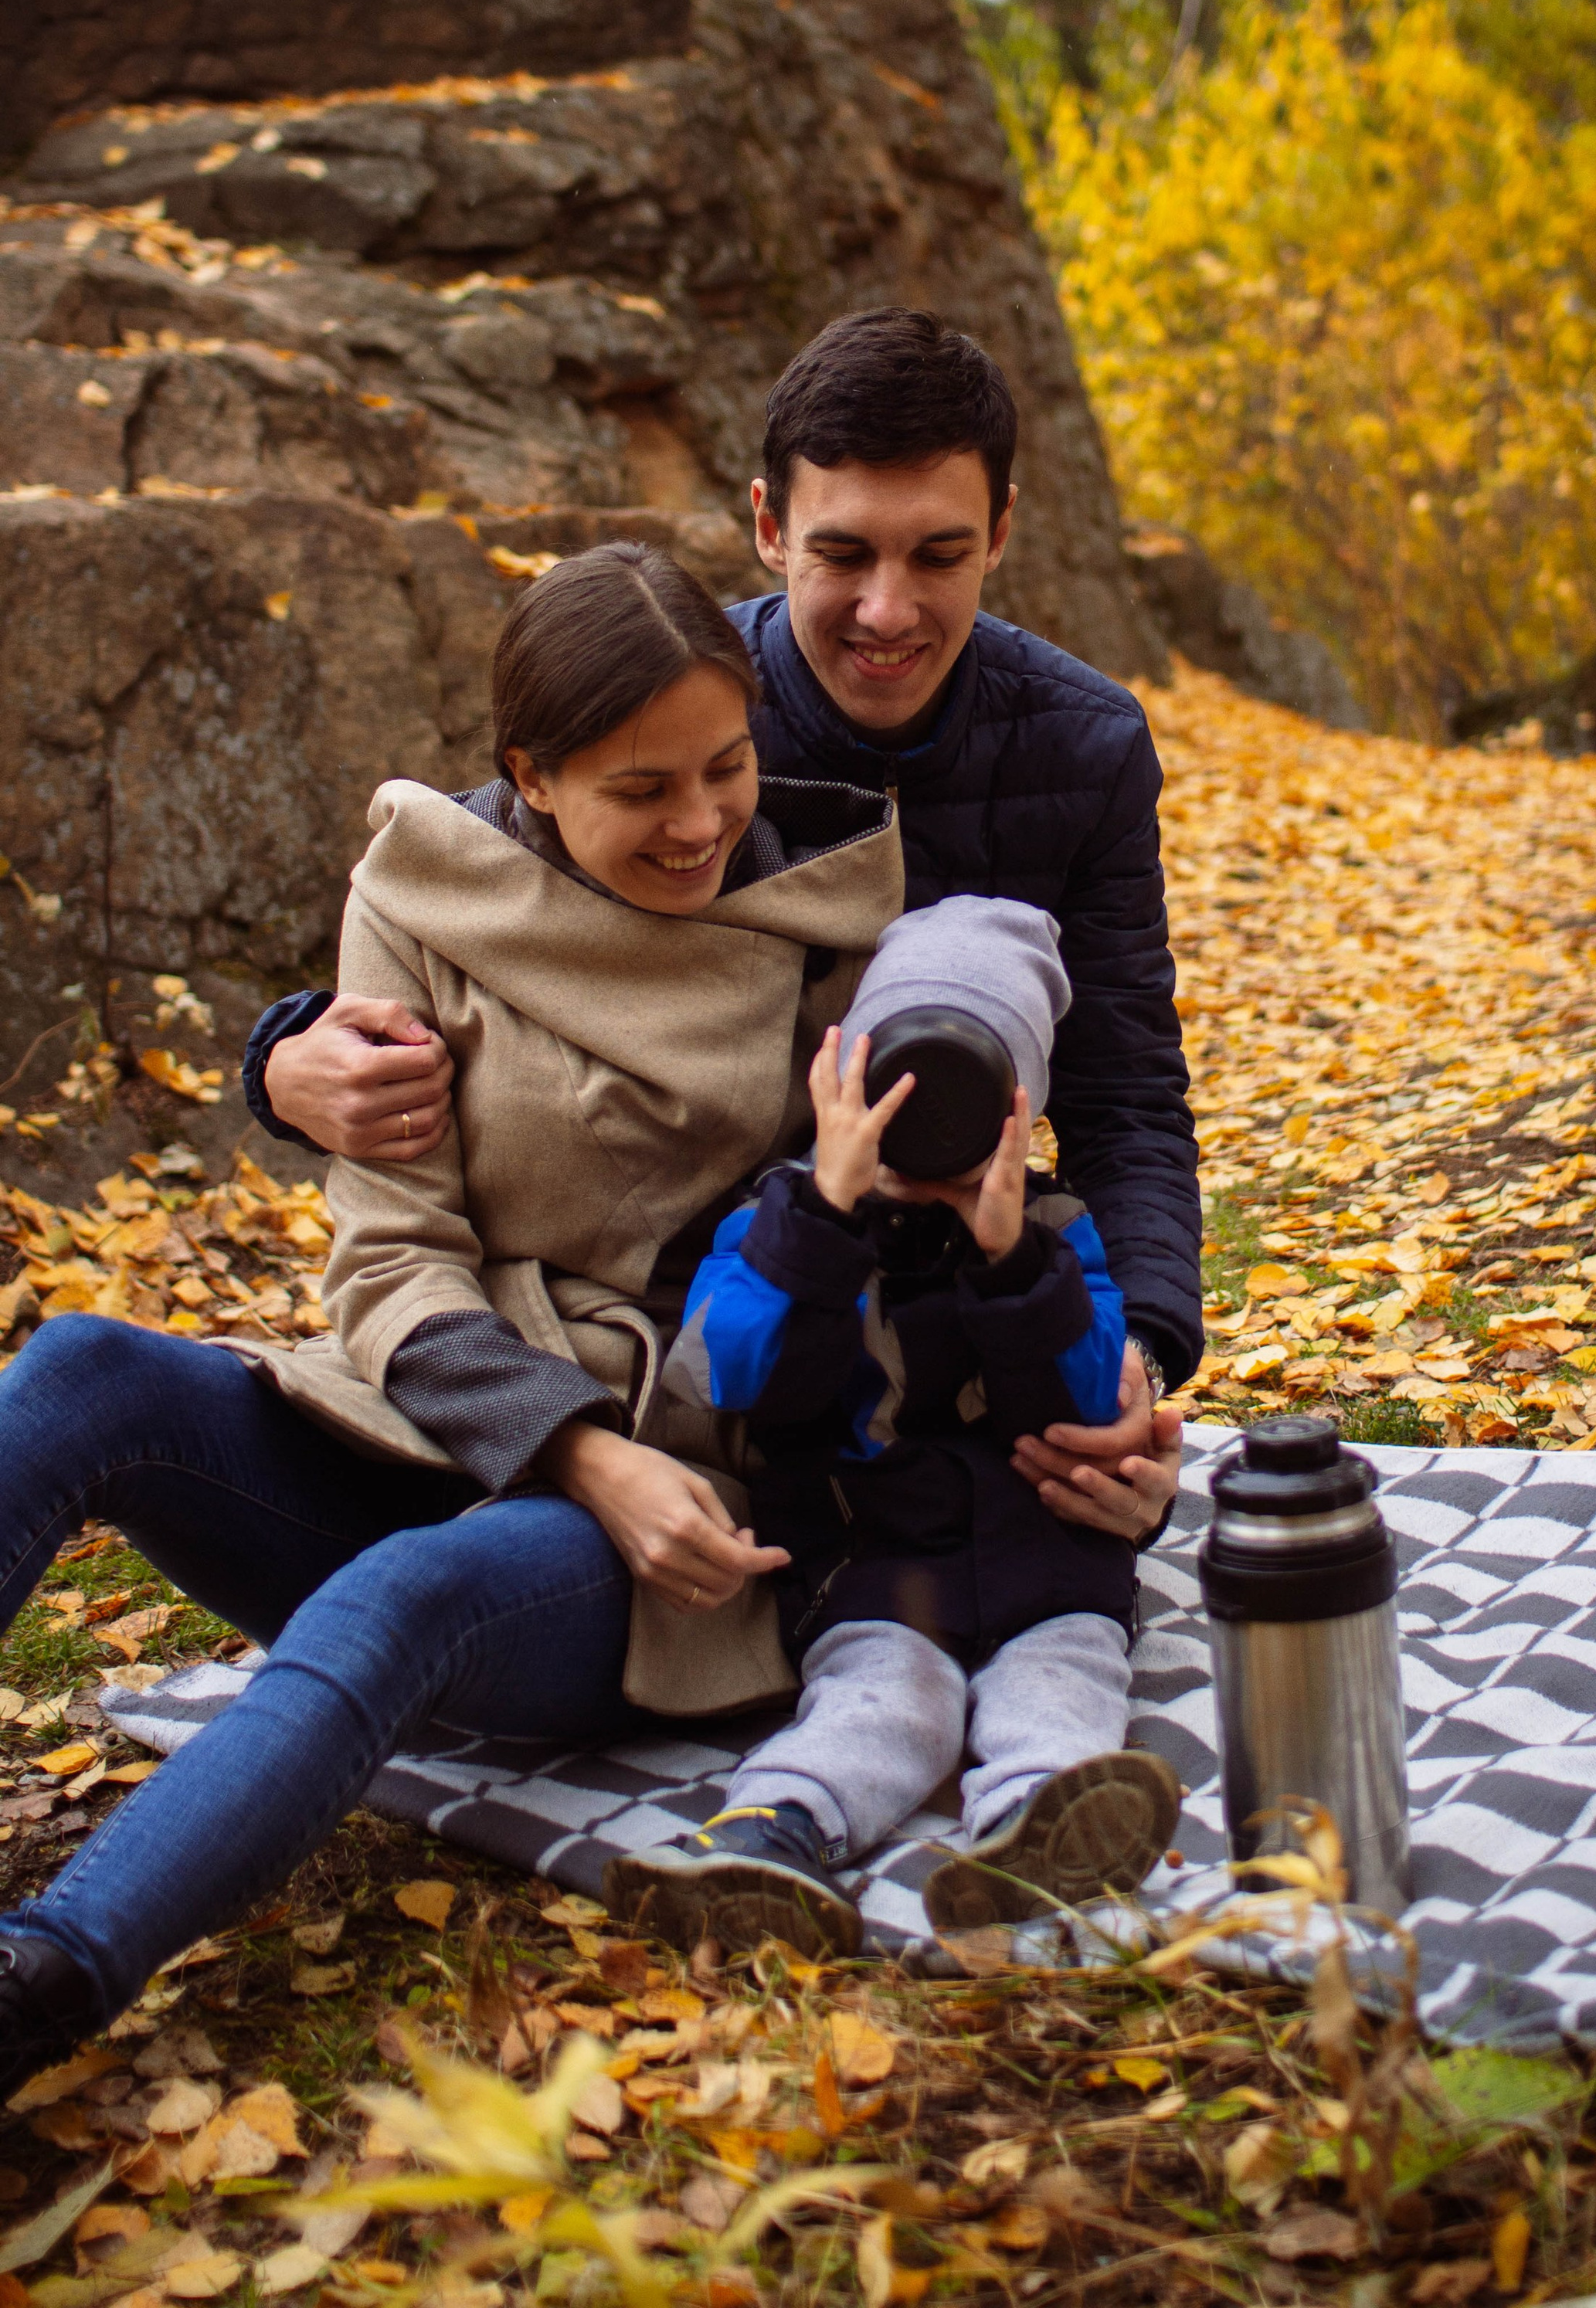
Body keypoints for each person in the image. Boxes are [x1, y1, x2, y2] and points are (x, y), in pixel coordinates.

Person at [0, 545, 908, 2092]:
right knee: (84, 1364)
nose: (697, 823)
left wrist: (619, 1468)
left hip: (671, 1504)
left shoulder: (834, 935)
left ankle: (43, 1982)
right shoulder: (419, 897)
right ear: (530, 778)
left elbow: (835, 1305)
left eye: (726, 769)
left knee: (406, 1591)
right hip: (429, 1420)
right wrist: (562, 1447)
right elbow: (388, 1263)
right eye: (640, 790)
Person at [244, 308, 1199, 1538]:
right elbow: (486, 872)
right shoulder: (695, 705)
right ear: (766, 526)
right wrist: (285, 1055)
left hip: (930, 1290)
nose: (887, 610)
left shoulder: (1085, 745)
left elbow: (1124, 1089)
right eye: (842, 553)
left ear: (1002, 534)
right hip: (679, 1303)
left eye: (939, 555)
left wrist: (1143, 1360)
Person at [606, 900, 1181, 1960]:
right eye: (898, 1084)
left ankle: (1032, 1845)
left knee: (1062, 1691)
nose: (926, 1126)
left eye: (963, 1095)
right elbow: (732, 1375)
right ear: (849, 1083)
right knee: (882, 1705)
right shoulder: (780, 1221)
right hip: (872, 1558)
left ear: (1019, 1111)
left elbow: (1096, 1403)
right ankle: (768, 1838)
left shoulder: (1057, 1232)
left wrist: (1014, 1266)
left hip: (1053, 1566)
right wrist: (824, 1220)